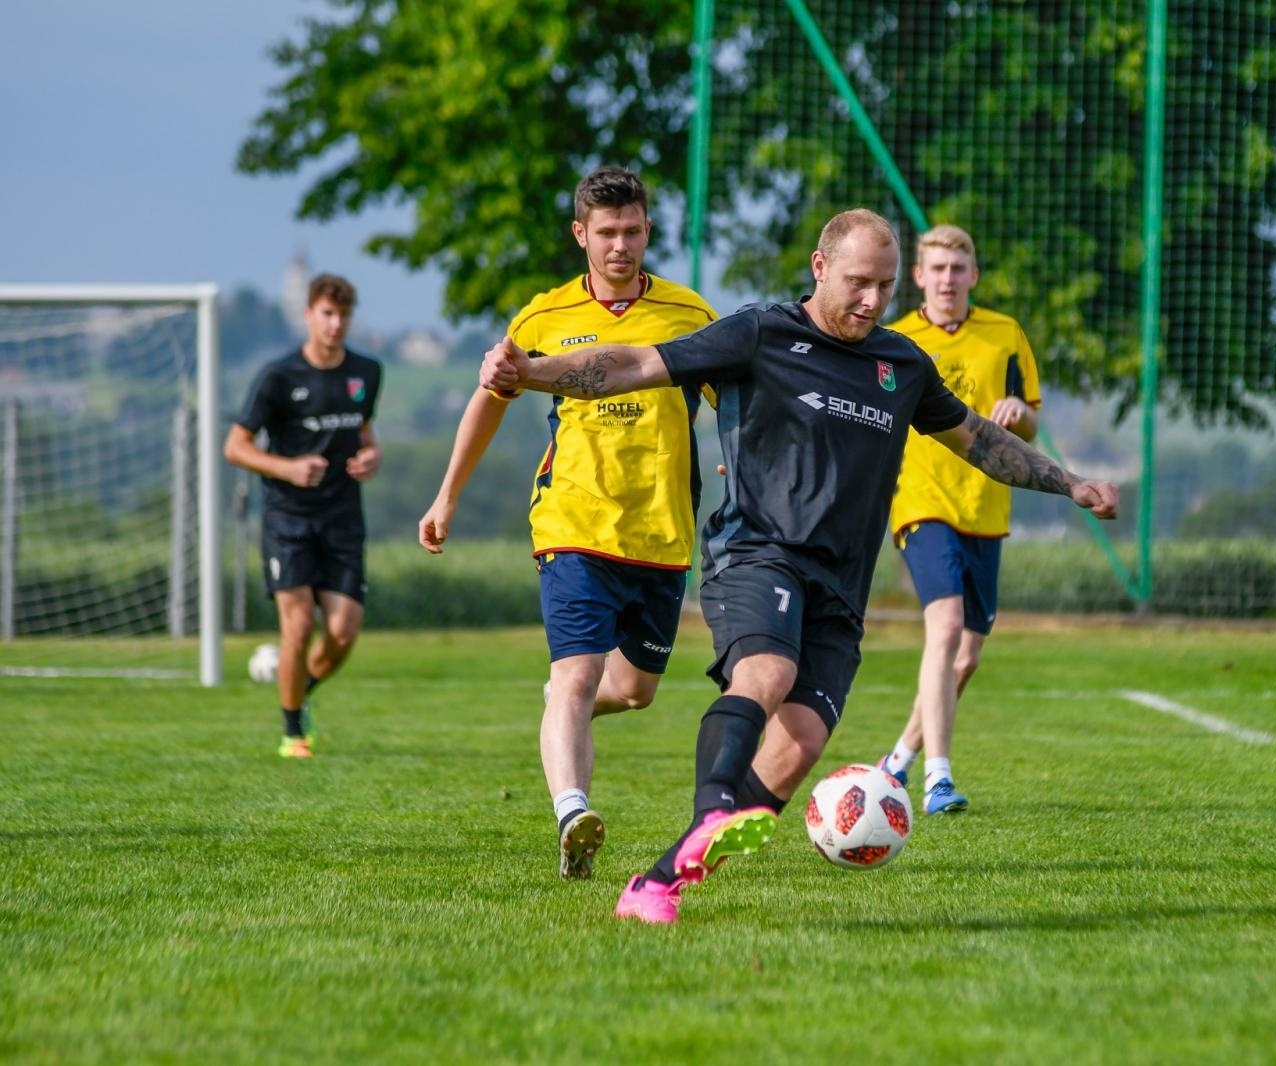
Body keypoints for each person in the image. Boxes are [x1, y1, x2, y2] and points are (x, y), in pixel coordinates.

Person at [475, 207, 1119, 925]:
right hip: (758, 553)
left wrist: (1069, 484)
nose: (872, 300)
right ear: (819, 268)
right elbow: (633, 362)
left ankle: (656, 884)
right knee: (768, 674)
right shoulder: (761, 333)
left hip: (842, 587)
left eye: (884, 284)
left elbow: (975, 440)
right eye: (856, 282)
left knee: (800, 745)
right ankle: (713, 801)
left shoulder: (902, 364)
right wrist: (532, 372)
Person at [418, 166, 716, 880]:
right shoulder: (542, 318)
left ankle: (562, 713)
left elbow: (732, 405)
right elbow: (491, 397)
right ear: (580, 234)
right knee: (578, 674)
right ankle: (572, 811)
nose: (621, 246)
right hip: (572, 521)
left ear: (648, 230)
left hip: (661, 529)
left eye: (633, 231)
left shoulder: (691, 317)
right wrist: (446, 494)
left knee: (633, 691)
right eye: (607, 233)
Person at [875, 224, 1041, 815]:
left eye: (958, 269)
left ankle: (895, 762)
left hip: (987, 507)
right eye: (936, 269)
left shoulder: (1006, 336)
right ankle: (938, 778)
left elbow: (1029, 429)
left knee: (966, 656)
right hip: (922, 501)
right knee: (944, 630)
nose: (947, 279)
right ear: (918, 276)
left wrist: (1019, 413)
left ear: (973, 274)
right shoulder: (894, 340)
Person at [224, 274, 382, 759]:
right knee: (297, 628)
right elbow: (235, 447)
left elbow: (365, 434)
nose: (335, 324)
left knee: (342, 633)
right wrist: (287, 467)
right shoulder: (278, 377)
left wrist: (371, 456)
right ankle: (294, 733)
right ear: (308, 315)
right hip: (287, 518)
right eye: (326, 314)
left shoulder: (366, 371)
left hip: (342, 518)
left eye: (343, 315)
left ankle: (300, 689)